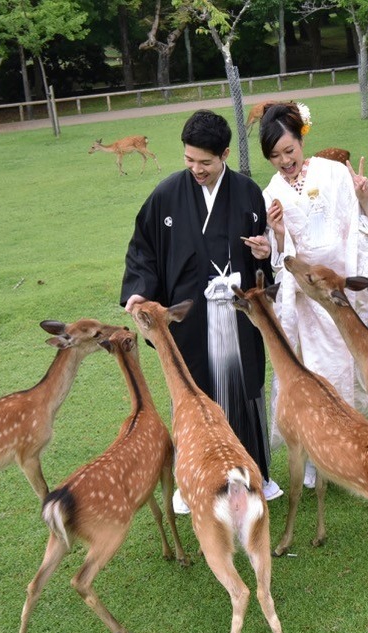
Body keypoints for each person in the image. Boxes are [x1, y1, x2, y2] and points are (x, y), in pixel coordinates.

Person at [121, 109, 282, 508]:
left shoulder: (247, 193)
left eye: (205, 163)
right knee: (192, 396)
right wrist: (139, 292)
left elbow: (264, 260)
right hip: (190, 321)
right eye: (189, 160)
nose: (196, 169)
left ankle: (254, 474)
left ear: (225, 154)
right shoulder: (166, 195)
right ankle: (194, 480)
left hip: (239, 318)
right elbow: (143, 250)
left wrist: (265, 253)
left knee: (244, 391)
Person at [256, 103, 368, 486]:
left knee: (364, 369)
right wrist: (278, 235)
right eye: (275, 156)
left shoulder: (333, 172)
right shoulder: (271, 193)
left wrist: (365, 197)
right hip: (310, 296)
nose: (285, 162)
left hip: (347, 286)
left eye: (289, 151)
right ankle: (325, 453)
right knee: (320, 372)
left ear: (302, 139)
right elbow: (280, 255)